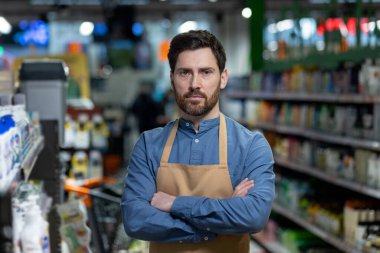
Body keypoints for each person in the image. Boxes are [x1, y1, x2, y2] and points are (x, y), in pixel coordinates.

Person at [121, 30, 275, 253]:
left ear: (223, 78)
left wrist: (175, 204)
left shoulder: (251, 146)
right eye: (185, 73)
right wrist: (216, 225)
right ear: (172, 78)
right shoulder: (148, 145)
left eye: (206, 72)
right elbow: (135, 219)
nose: (195, 83)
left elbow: (254, 216)